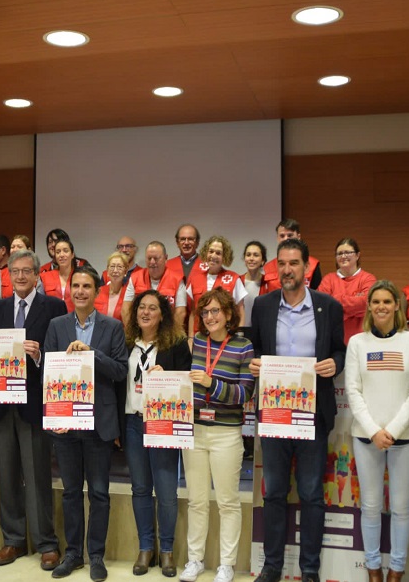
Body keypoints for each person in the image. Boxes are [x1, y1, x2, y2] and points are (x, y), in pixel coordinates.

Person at [249, 237, 345, 582]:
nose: (287, 270)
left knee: (311, 494)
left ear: (307, 267)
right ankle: (272, 567)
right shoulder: (262, 305)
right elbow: (255, 349)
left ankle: (309, 570)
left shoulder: (328, 306)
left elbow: (339, 350)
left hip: (312, 415)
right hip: (275, 414)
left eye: (294, 263)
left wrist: (335, 363)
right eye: (282, 264)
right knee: (273, 492)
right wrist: (254, 364)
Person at [0, 250, 67, 571]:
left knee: (37, 476)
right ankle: (13, 539)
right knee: (8, 476)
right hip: (2, 404)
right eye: (14, 271)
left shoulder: (54, 307)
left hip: (33, 403)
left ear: (36, 275)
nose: (19, 276)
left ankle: (46, 542)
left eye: (26, 271)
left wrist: (39, 354)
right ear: (9, 276)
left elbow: (60, 358)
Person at [43, 266, 127, 582]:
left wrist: (92, 354)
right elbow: (48, 374)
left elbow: (120, 371)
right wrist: (53, 414)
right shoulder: (56, 325)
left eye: (87, 286)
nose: (80, 291)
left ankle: (96, 557)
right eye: (75, 285)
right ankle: (73, 554)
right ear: (70, 291)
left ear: (97, 291)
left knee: (100, 493)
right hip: (66, 423)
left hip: (99, 423)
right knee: (70, 492)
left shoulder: (113, 327)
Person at [345, 280, 409, 582]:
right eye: (375, 301)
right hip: (366, 437)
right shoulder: (357, 343)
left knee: (402, 507)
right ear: (369, 306)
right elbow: (353, 391)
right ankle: (373, 567)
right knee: (370, 506)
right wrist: (373, 430)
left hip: (405, 438)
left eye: (387, 302)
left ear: (397, 306)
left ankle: (397, 569)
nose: (381, 307)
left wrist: (390, 430)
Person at [179, 288, 254, 582]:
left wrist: (211, 383)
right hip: (195, 429)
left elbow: (245, 393)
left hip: (227, 433)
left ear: (228, 315)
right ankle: (195, 560)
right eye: (205, 312)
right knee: (196, 500)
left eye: (215, 311)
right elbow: (182, 379)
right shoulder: (196, 342)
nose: (210, 317)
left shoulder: (243, 346)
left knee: (227, 502)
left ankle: (227, 564)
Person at [120, 290, 191, 578]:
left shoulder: (176, 344)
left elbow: (188, 381)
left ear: (163, 314)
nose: (146, 312)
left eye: (153, 308)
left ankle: (167, 551)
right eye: (141, 308)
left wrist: (168, 373)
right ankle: (145, 547)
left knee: (166, 492)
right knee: (139, 489)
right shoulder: (126, 343)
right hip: (133, 424)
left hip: (163, 424)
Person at [317, 238, 376, 344]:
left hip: (362, 340)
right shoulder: (328, 279)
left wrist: (336, 300)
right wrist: (354, 306)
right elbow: (322, 306)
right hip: (333, 341)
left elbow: (366, 304)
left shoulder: (368, 279)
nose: (343, 256)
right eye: (339, 253)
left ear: (357, 255)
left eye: (348, 252)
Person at [185, 235, 247, 335]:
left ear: (224, 256)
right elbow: (193, 313)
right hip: (200, 336)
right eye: (211, 251)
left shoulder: (233, 278)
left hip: (225, 337)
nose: (213, 256)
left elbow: (240, 310)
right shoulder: (194, 279)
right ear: (206, 253)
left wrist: (239, 335)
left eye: (218, 253)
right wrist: (191, 338)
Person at [122, 242, 187, 330]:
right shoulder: (135, 278)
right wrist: (132, 332)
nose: (152, 262)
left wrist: (171, 338)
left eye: (156, 258)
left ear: (165, 258)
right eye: (149, 258)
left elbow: (180, 313)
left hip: (167, 333)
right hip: (139, 332)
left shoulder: (177, 279)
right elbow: (125, 310)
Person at [259, 219, 322, 295]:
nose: (286, 239)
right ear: (277, 238)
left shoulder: (312, 265)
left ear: (298, 237)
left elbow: (317, 296)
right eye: (282, 236)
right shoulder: (267, 267)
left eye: (290, 235)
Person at [41, 237, 79, 312]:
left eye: (65, 251)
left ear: (72, 254)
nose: (61, 255)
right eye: (58, 252)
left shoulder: (80, 277)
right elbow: (39, 303)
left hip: (75, 320)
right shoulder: (45, 277)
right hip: (51, 320)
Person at [95, 252, 128, 321]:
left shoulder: (129, 295)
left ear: (125, 272)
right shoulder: (97, 292)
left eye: (119, 267)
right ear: (107, 271)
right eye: (112, 266)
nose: (115, 271)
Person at [241, 241, 266, 327]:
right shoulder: (237, 281)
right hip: (240, 333)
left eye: (256, 255)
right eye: (248, 255)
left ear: (262, 261)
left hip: (261, 333)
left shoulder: (268, 283)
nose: (251, 258)